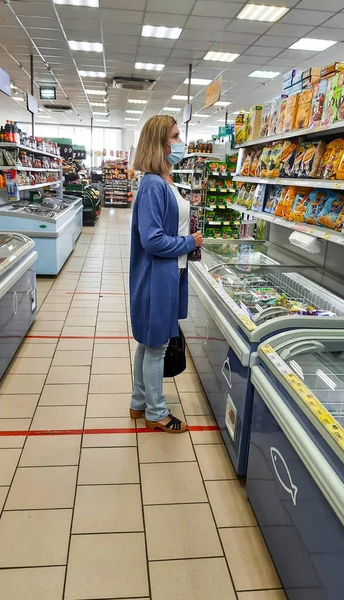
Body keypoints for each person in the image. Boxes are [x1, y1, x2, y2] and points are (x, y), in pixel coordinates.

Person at [129, 115, 203, 434]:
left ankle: (138, 402)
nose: (180, 141)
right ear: (159, 143)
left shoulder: (164, 180)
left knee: (149, 342)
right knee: (156, 344)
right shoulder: (152, 185)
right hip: (156, 278)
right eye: (174, 136)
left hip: (168, 274)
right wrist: (189, 242)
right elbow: (153, 239)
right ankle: (156, 412)